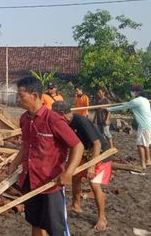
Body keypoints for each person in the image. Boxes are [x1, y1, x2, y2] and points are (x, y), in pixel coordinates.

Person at [7, 76, 83, 236]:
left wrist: (68, 173)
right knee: (35, 222)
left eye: (21, 95)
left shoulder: (53, 119)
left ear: (34, 95)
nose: (18, 99)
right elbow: (26, 145)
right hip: (30, 180)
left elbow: (77, 146)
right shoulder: (24, 119)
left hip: (51, 184)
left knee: (56, 229)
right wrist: (14, 164)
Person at [52, 101, 112, 231]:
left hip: (101, 154)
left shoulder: (81, 122)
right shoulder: (66, 123)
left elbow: (97, 144)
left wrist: (91, 166)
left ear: (62, 114)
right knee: (75, 177)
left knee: (94, 184)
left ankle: (102, 217)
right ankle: (76, 205)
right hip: (85, 153)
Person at [107, 85, 151, 169]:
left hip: (144, 126)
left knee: (140, 145)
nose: (132, 92)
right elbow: (126, 105)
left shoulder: (136, 101)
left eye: (133, 91)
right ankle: (148, 160)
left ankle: (143, 164)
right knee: (146, 144)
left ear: (137, 92)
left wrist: (108, 109)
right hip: (148, 124)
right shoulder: (145, 100)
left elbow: (122, 107)